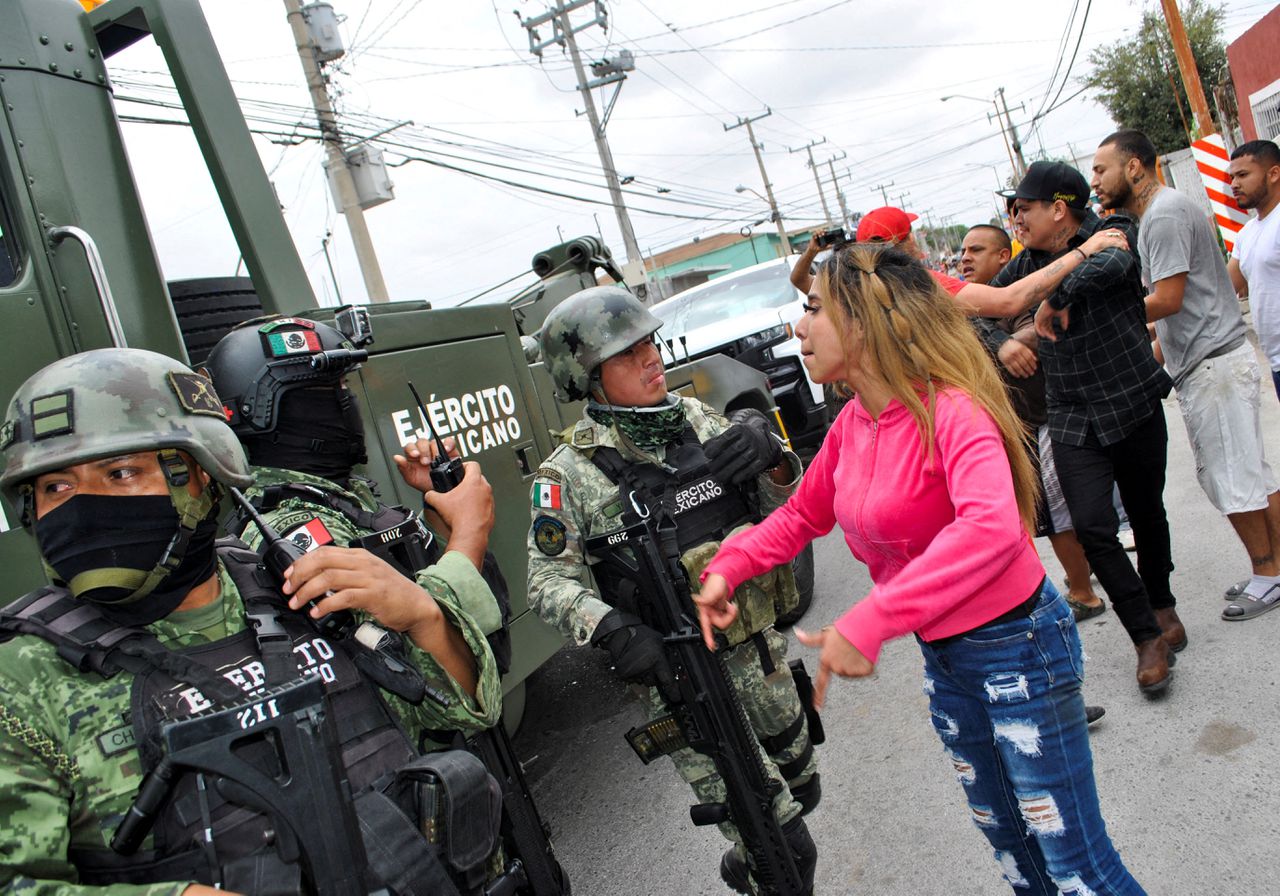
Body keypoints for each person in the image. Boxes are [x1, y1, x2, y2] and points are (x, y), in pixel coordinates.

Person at [696, 243, 1146, 895]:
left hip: (1018, 650)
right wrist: (728, 568)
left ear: (866, 321)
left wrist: (875, 617)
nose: (798, 326)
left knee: (1076, 864)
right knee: (1015, 851)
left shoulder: (952, 410)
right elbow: (798, 517)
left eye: (813, 308)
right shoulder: (853, 424)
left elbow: (991, 529)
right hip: (949, 661)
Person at [0, 348, 503, 894]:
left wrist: (425, 615)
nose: (83, 505)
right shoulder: (23, 680)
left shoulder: (294, 581)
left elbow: (465, 709)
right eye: (55, 487)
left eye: (120, 472)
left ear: (204, 474)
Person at [204, 314, 570, 894]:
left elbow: (480, 645)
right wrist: (470, 535)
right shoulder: (288, 531)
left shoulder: (333, 501)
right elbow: (420, 683)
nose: (348, 405)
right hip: (413, 834)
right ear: (282, 408)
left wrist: (437, 509)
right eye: (334, 393)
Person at [527, 285, 819, 895]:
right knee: (788, 849)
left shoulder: (698, 420)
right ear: (587, 380)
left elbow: (784, 518)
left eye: (648, 345)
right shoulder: (566, 476)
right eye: (627, 355)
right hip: (686, 686)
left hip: (758, 655)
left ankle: (743, 865)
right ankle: (762, 864)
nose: (650, 359)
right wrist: (611, 627)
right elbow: (546, 581)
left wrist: (773, 456)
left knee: (802, 792)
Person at [990, 160, 1179, 695]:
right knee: (1095, 528)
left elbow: (1113, 267)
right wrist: (1003, 341)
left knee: (1146, 511)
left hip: (1130, 398)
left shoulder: (1112, 232)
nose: (1016, 218)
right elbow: (980, 311)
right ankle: (1146, 635)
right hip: (1072, 413)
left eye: (1023, 208)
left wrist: (1053, 296)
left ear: (1058, 207)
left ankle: (1162, 602)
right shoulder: (1025, 264)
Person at [1094, 129, 1280, 622]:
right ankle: (1273, 567)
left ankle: (1268, 575)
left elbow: (1168, 299)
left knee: (1234, 480)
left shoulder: (1165, 214)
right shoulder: (1158, 214)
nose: (1096, 182)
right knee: (1252, 475)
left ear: (1134, 167)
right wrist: (1148, 355)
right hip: (1210, 359)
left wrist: (1108, 318)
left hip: (1214, 364)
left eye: (1101, 170)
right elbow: (1179, 309)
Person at [964, 224, 1107, 625]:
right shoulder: (974, 307)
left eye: (977, 249)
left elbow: (1033, 333)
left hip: (1044, 420)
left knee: (1055, 515)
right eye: (963, 251)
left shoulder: (1023, 291)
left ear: (1002, 257)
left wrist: (1003, 342)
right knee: (1048, 515)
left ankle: (1084, 592)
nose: (965, 258)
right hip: (1015, 425)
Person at [789, 205, 1130, 318]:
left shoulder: (847, 288)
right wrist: (1084, 251)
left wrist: (810, 251)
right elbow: (1009, 301)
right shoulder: (917, 282)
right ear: (903, 241)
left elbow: (800, 282)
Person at [1227, 140, 1280, 399]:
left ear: (1273, 173)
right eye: (1232, 176)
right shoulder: (1246, 234)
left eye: (1243, 175)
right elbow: (1224, 290)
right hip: (1276, 362)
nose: (1234, 184)